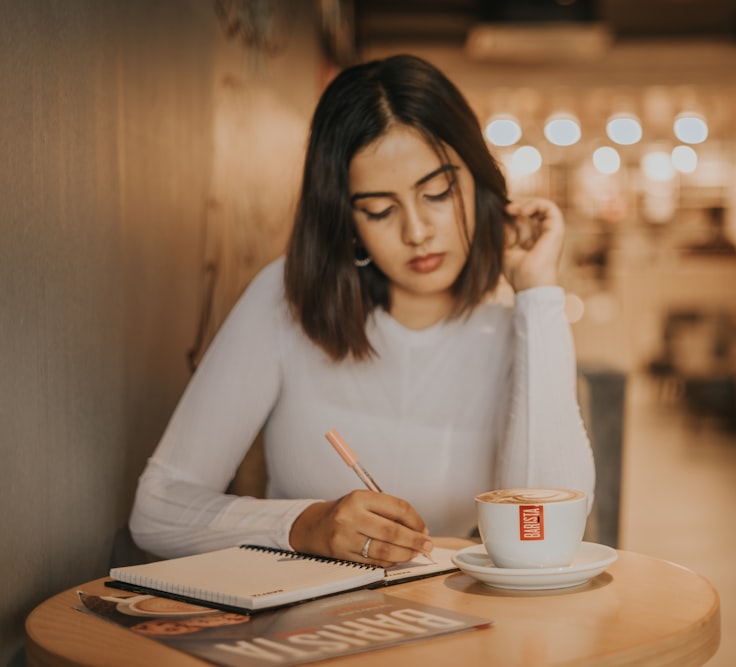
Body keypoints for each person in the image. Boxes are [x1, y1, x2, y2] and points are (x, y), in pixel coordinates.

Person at [128, 54, 595, 567]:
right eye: (380, 209)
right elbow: (157, 509)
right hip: (308, 628)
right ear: (346, 218)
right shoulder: (287, 301)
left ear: (478, 181)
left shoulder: (511, 326)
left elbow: (548, 533)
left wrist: (537, 295)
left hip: (457, 626)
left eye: (438, 193)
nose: (416, 231)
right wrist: (306, 525)